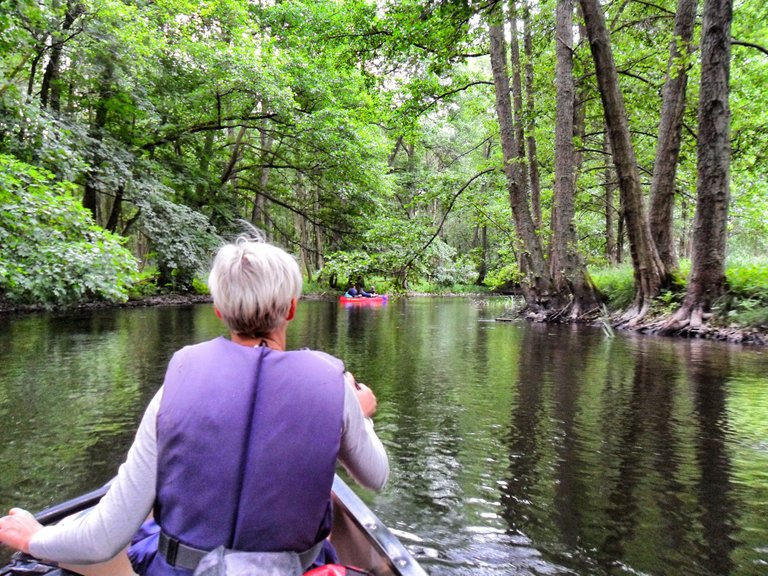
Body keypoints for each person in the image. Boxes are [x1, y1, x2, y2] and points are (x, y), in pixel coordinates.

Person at [0, 236, 389, 576]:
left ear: (219, 311)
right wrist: (361, 414)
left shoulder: (175, 386)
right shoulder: (334, 386)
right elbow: (376, 476)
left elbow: (103, 539)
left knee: (138, 523)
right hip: (298, 569)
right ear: (291, 308)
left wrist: (36, 539)